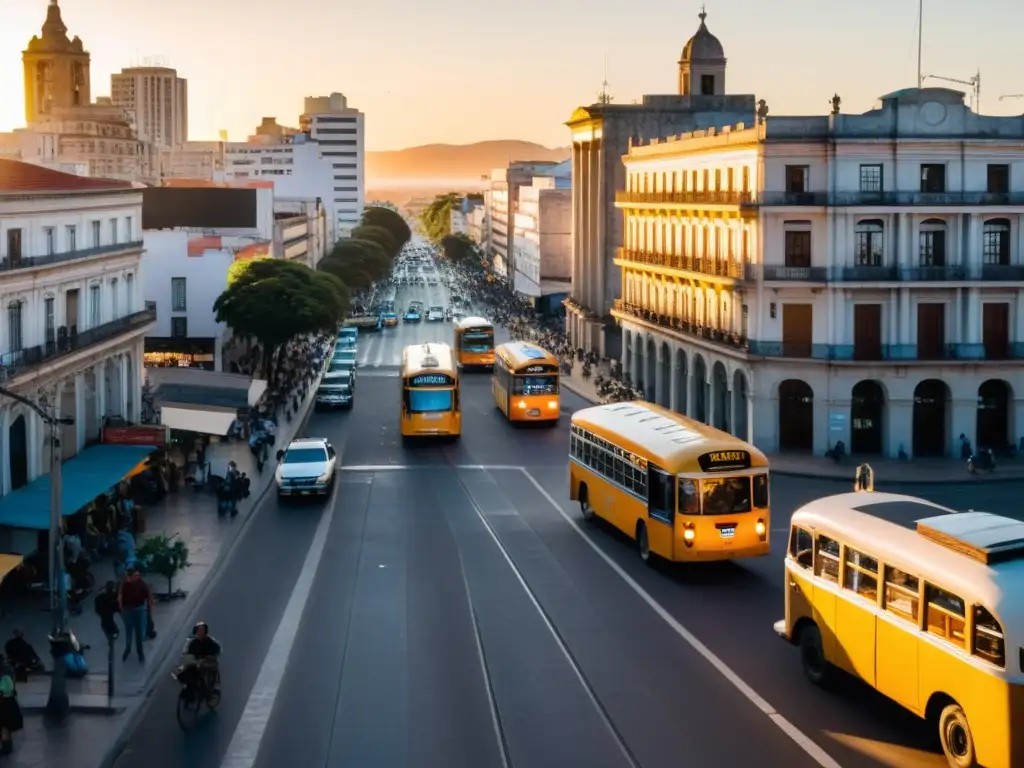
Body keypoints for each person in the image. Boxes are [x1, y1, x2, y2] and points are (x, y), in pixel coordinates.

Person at [118, 567, 153, 663]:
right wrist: (122, 609)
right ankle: (127, 649)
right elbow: (120, 596)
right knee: (128, 631)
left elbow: (149, 597)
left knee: (138, 633)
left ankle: (140, 653)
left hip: (139, 610)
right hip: (128, 610)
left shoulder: (142, 584)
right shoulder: (125, 584)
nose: (128, 579)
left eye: (130, 577)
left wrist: (149, 612)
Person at [180, 622, 221, 698]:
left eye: (202, 631)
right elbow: (186, 653)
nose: (199, 633)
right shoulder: (192, 643)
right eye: (198, 631)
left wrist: (206, 659)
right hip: (196, 663)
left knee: (204, 674)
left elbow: (216, 652)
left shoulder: (211, 642)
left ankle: (208, 691)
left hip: (207, 663)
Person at [0, 654, 22, 755]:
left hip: (4, 703)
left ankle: (6, 746)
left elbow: (5, 688)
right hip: (7, 702)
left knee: (4, 726)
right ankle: (6, 745)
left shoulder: (4, 674)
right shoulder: (7, 671)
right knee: (5, 727)